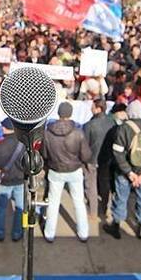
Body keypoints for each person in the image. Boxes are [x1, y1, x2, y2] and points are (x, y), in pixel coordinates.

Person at [103, 100, 141, 240]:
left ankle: (116, 225)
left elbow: (117, 152)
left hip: (124, 173)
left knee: (121, 198)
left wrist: (129, 172)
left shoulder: (124, 128)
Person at [42, 102, 92, 242]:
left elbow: (44, 155)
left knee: (53, 202)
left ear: (59, 114)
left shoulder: (47, 133)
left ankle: (49, 233)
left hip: (55, 170)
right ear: (70, 114)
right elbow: (86, 155)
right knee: (79, 202)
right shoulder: (78, 133)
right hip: (74, 170)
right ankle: (83, 233)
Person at [0, 117, 26, 242]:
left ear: (4, 129)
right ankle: (17, 233)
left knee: (0, 208)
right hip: (20, 180)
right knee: (20, 208)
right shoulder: (24, 145)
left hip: (3, 181)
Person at [83, 98, 115, 218]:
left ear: (98, 109)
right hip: (107, 159)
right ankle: (106, 208)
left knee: (91, 185)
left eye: (92, 106)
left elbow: (85, 145)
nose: (91, 108)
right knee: (105, 184)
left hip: (92, 159)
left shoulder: (89, 125)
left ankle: (93, 211)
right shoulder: (112, 122)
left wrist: (84, 160)